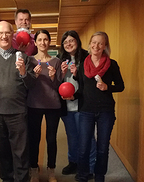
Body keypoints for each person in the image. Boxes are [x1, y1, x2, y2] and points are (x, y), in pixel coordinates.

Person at [0, 21, 36, 182]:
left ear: (13, 35)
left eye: (7, 33)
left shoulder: (23, 57)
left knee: (21, 152)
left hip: (18, 112)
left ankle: (22, 179)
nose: (4, 36)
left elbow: (31, 84)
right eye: (0, 33)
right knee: (2, 152)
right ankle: (7, 179)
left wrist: (23, 72)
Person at [73, 32, 124, 182]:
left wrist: (107, 87)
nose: (96, 46)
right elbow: (81, 90)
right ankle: (83, 175)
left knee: (102, 148)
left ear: (105, 46)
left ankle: (99, 176)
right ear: (89, 44)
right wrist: (72, 96)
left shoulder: (112, 64)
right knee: (83, 148)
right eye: (94, 42)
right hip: (86, 110)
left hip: (106, 111)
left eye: (100, 43)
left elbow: (121, 86)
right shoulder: (83, 65)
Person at [59, 30, 96, 181]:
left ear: (77, 41)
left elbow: (90, 84)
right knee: (72, 137)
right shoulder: (60, 59)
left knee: (87, 138)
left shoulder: (87, 57)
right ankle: (73, 162)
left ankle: (90, 167)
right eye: (65, 42)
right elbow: (56, 83)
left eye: (71, 41)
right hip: (66, 106)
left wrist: (76, 74)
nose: (68, 44)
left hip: (83, 105)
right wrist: (61, 75)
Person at [27, 29, 63, 182]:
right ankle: (34, 169)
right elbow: (26, 85)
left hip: (53, 105)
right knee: (34, 138)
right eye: (40, 40)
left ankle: (51, 170)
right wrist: (34, 76)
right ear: (35, 42)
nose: (43, 43)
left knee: (51, 138)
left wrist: (54, 76)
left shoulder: (56, 62)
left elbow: (59, 86)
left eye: (45, 39)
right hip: (34, 104)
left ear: (49, 42)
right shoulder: (29, 60)